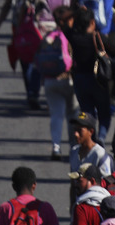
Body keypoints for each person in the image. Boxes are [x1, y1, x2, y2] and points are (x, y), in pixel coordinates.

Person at [68, 7, 115, 142]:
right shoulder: (98, 37)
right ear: (92, 22)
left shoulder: (73, 38)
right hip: (99, 80)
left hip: (80, 79)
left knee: (87, 112)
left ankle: (91, 138)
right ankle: (101, 137)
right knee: (104, 113)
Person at [0, 0, 44, 108]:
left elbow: (7, 6)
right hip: (37, 27)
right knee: (33, 61)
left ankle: (32, 93)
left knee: (27, 61)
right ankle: (33, 92)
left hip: (22, 28)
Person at [39, 7, 77, 159]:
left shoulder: (48, 36)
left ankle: (56, 147)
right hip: (69, 80)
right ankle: (74, 147)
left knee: (56, 115)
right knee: (72, 114)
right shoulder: (71, 37)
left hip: (50, 80)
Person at [69, 112, 113, 195]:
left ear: (91, 131)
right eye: (75, 130)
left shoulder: (99, 154)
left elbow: (106, 185)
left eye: (80, 131)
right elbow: (73, 184)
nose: (76, 134)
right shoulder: (74, 152)